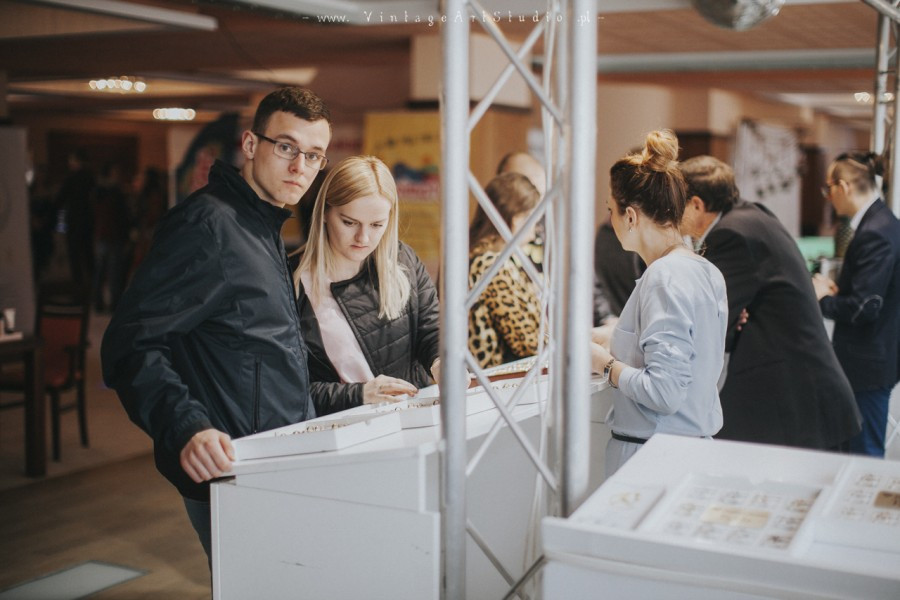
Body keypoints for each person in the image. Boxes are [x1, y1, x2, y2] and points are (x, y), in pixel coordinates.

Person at [101, 87, 332, 563]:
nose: (300, 167)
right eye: (286, 147)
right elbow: (131, 343)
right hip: (232, 470)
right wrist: (187, 426)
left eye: (313, 155)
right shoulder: (207, 226)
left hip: (275, 464)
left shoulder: (262, 224)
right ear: (250, 144)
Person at [679, 155, 860, 450]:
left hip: (794, 400)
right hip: (804, 393)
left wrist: (726, 323)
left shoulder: (731, 235)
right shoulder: (752, 215)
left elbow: (708, 326)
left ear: (697, 204)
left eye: (677, 205)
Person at [589, 130, 727, 477]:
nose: (611, 220)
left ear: (630, 216)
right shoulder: (705, 271)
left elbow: (664, 392)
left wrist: (605, 365)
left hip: (653, 458)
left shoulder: (664, 276)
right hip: (683, 449)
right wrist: (616, 337)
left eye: (611, 210)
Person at [293, 155, 441, 416]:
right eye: (349, 222)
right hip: (339, 430)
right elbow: (289, 389)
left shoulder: (402, 259)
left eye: (376, 225)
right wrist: (361, 394)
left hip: (413, 420)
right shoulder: (292, 280)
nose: (363, 238)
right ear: (325, 212)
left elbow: (432, 329)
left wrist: (442, 360)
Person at [814, 151, 900, 457]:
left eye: (828, 188)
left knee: (864, 455)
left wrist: (823, 298)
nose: (828, 198)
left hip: (867, 364)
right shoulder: (882, 223)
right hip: (872, 358)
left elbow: (865, 307)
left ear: (843, 187)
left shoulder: (875, 231)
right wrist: (839, 293)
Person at [468, 172, 543, 368]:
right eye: (533, 220)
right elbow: (528, 343)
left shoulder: (476, 254)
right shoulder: (491, 264)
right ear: (517, 219)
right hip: (497, 379)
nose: (535, 231)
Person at [91, 161, 132, 312]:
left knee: (100, 271)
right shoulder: (116, 192)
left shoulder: (97, 191)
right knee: (114, 273)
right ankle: (114, 304)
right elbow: (123, 217)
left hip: (101, 235)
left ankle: (98, 303)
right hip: (115, 236)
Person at [55, 148, 95, 286]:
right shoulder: (91, 178)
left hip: (73, 222)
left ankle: (78, 287)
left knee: (74, 256)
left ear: (76, 161)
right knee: (88, 255)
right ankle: (92, 287)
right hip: (88, 222)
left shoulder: (70, 179)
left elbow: (59, 201)